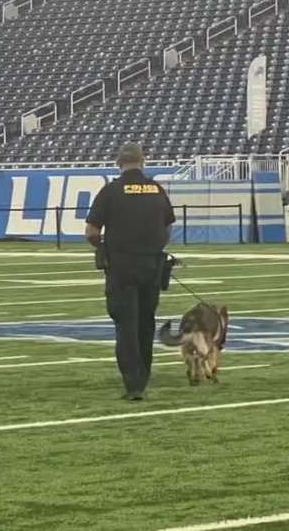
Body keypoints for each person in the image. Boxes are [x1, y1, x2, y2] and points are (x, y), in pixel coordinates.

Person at [85, 143, 176, 401]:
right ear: (143, 162)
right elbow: (168, 228)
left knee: (126, 325)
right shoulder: (156, 190)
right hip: (152, 265)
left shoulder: (111, 191)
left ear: (119, 164)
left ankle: (133, 384)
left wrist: (106, 247)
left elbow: (92, 231)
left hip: (121, 267)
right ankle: (144, 378)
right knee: (146, 323)